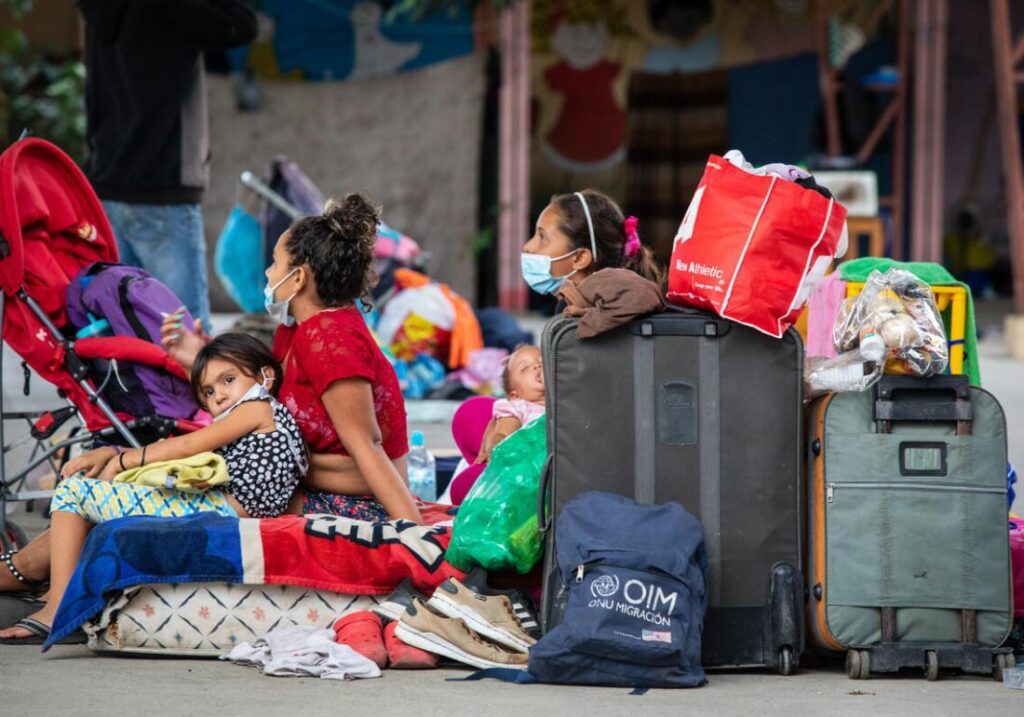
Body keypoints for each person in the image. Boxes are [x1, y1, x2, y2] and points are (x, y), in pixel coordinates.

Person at [0, 333, 307, 641]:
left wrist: (125, 460)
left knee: (73, 491)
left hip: (218, 511)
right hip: (220, 507)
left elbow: (190, 445)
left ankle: (58, 607)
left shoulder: (257, 408)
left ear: (265, 376)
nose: (219, 396)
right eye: (209, 391)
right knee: (99, 493)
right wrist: (118, 457)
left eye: (228, 380)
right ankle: (46, 584)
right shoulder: (266, 417)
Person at [165, 195, 423, 525]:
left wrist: (415, 535)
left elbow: (367, 446)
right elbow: (261, 400)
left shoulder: (330, 338)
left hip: (358, 503)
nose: (268, 274)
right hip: (302, 486)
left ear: (298, 279)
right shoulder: (295, 330)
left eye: (274, 263)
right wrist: (202, 358)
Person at [79, 0, 258, 331]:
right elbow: (242, 25)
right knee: (188, 337)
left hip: (106, 188)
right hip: (162, 187)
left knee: (123, 330)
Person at [520, 189, 663, 298]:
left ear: (580, 257)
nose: (527, 247)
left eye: (542, 237)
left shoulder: (594, 323)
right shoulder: (576, 310)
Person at [475, 345, 545, 465]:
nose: (537, 366)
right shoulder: (519, 407)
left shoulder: (568, 400)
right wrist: (497, 449)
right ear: (515, 395)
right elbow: (503, 434)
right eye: (524, 368)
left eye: (542, 362)